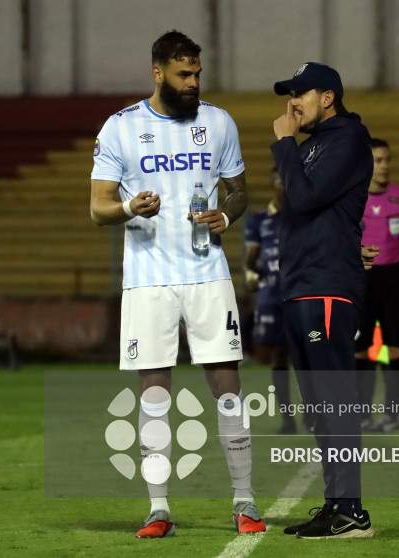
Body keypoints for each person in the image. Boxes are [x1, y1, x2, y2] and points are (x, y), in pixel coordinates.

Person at [89, 30, 265, 538]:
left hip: (207, 274)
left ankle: (245, 501)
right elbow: (97, 208)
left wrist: (225, 219)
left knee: (228, 389)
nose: (193, 83)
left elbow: (238, 191)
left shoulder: (218, 122)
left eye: (198, 74)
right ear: (158, 72)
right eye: (184, 74)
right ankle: (159, 508)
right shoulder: (121, 128)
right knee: (154, 394)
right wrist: (127, 208)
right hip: (147, 282)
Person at [271, 62, 374, 539]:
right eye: (288, 94)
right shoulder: (313, 147)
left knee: (334, 401)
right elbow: (298, 205)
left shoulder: (348, 140)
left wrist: (283, 146)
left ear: (327, 97)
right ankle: (335, 505)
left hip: (326, 287)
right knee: (317, 406)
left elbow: (306, 200)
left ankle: (352, 511)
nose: (292, 102)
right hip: (300, 287)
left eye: (300, 93)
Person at [354, 138, 399, 450]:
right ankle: (359, 420)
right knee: (357, 353)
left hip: (395, 281)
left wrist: (395, 267)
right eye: (378, 160)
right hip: (360, 281)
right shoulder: (350, 199)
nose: (384, 166)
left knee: (398, 354)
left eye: (387, 160)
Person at [244, 168, 313, 434]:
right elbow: (252, 260)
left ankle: (311, 416)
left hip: (302, 295)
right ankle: (287, 419)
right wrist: (251, 276)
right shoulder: (259, 220)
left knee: (305, 356)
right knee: (278, 357)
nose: (284, 186)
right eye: (280, 181)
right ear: (273, 184)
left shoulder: (306, 217)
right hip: (272, 296)